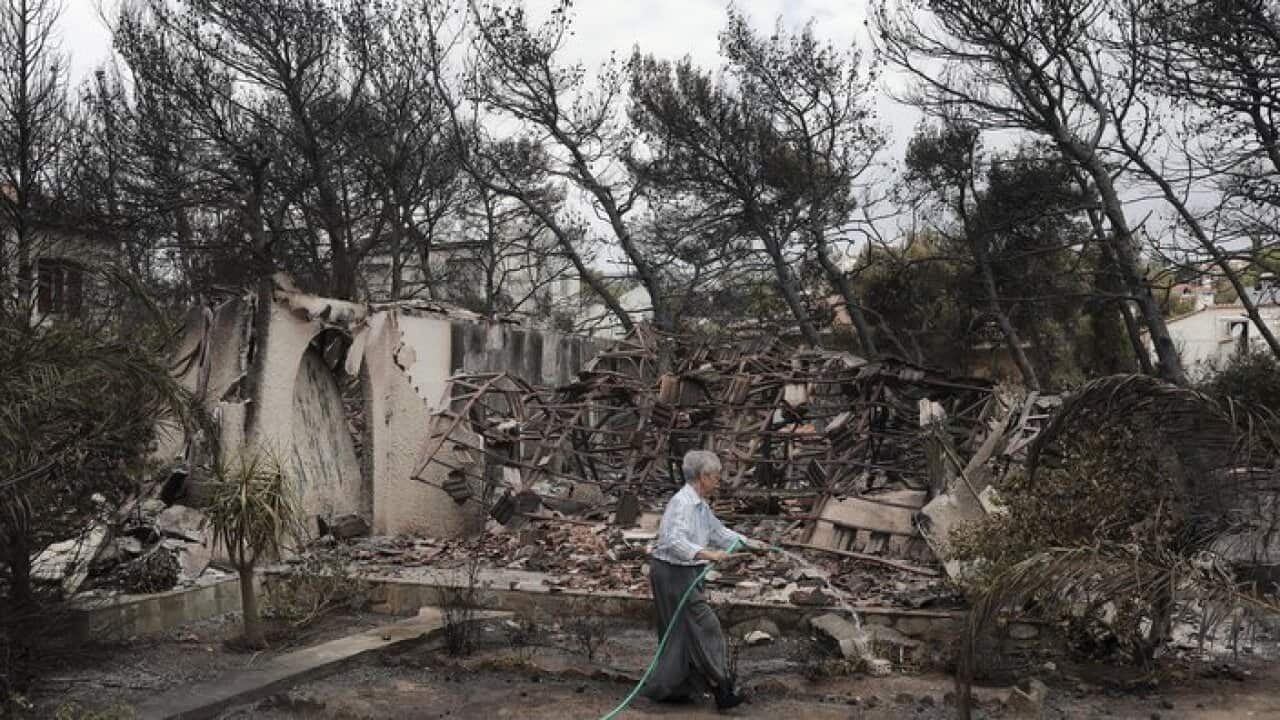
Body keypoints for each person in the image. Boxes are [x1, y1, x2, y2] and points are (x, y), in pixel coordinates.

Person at [644, 449, 767, 711]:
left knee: (679, 632)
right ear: (702, 477)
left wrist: (748, 543)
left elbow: (718, 531)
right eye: (716, 476)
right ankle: (724, 688)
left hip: (685, 572)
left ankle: (671, 688)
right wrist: (708, 553)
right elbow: (672, 541)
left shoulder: (700, 504)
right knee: (706, 625)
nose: (718, 481)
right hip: (671, 572)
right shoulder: (683, 503)